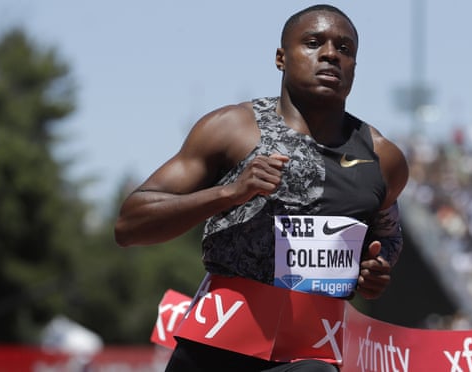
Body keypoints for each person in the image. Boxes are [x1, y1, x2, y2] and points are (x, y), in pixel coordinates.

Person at [114, 4, 408, 371]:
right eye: (314, 43)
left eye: (345, 49)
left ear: (354, 67)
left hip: (307, 352)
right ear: (281, 58)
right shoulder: (232, 129)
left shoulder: (383, 158)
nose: (331, 54)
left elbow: (388, 235)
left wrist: (376, 268)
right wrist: (230, 193)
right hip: (218, 345)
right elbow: (129, 225)